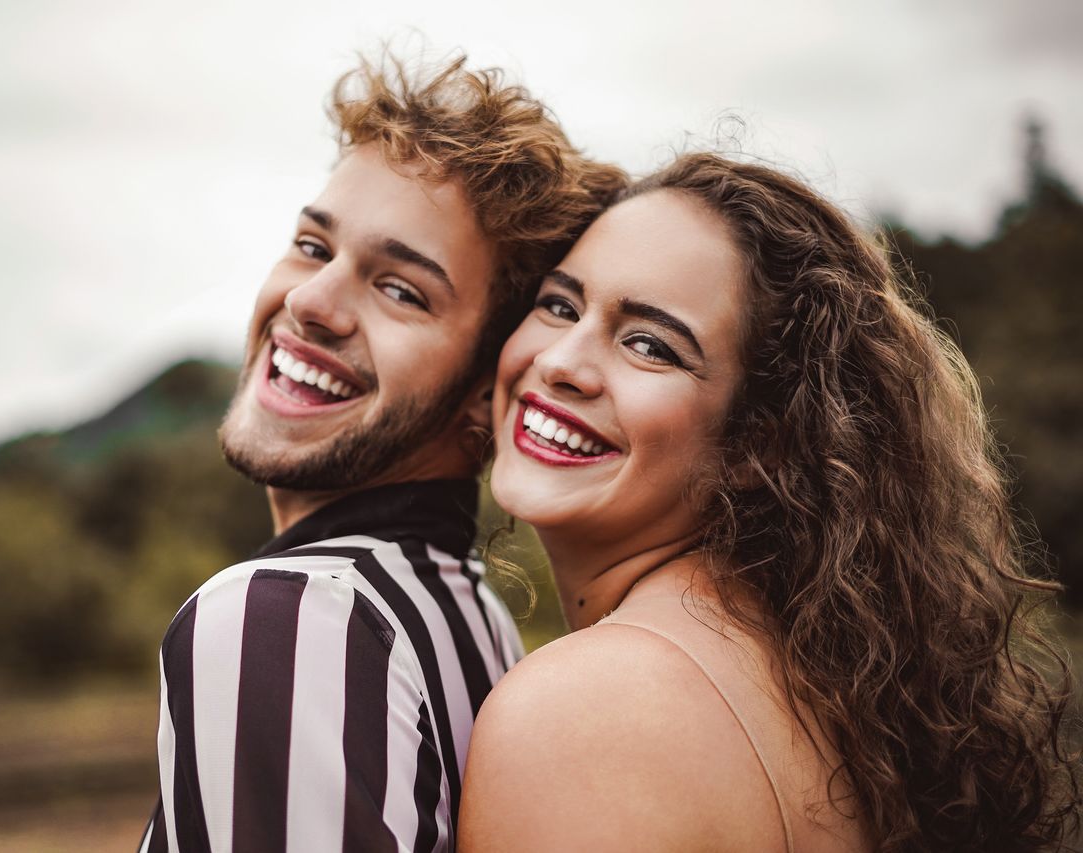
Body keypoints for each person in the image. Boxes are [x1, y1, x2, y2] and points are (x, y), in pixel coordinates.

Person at [459, 153, 1081, 852]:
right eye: (559, 304)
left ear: (760, 442)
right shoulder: (823, 677)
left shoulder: (583, 713)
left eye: (649, 345)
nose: (562, 362)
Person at [137, 54, 627, 852]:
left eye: (401, 289)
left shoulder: (284, 618)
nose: (310, 300)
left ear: (486, 392)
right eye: (310, 244)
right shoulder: (475, 619)